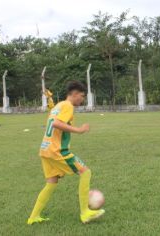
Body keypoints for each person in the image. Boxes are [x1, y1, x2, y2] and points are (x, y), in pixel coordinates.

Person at [28, 81, 105, 225]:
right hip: (57, 150)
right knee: (85, 172)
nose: (82, 99)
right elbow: (57, 123)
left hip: (45, 148)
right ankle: (85, 213)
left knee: (51, 183)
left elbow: (54, 123)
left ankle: (33, 217)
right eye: (81, 96)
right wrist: (79, 130)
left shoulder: (58, 105)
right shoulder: (68, 106)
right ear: (74, 94)